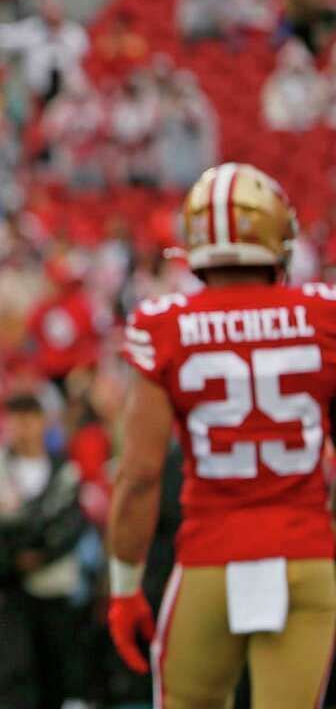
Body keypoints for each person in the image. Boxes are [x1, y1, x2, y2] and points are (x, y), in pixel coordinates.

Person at [107, 163, 336, 707]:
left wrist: (123, 587)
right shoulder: (323, 315)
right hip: (304, 555)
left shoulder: (163, 324)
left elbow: (139, 476)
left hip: (210, 557)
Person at [0, 392, 90, 709]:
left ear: (42, 422)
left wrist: (42, 554)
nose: (22, 428)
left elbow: (74, 523)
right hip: (6, 585)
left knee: (54, 671)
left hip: (52, 583)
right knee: (11, 672)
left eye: (29, 419)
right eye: (15, 420)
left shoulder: (64, 469)